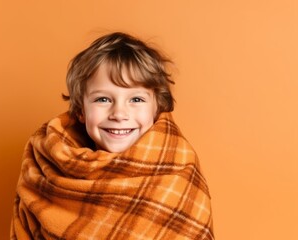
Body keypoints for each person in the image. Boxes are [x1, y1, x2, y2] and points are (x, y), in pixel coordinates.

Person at [11, 32, 214, 239]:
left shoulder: (177, 168)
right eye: (103, 99)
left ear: (157, 108)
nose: (119, 114)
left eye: (136, 99)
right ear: (81, 110)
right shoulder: (45, 166)